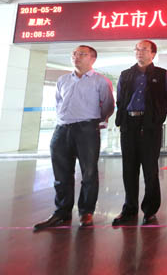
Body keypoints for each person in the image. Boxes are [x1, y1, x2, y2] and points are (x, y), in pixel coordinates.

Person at [33, 45, 114, 230]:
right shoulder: (63, 80)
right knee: (61, 174)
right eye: (74, 54)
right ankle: (61, 212)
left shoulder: (101, 81)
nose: (76, 57)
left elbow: (108, 105)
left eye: (82, 54)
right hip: (62, 130)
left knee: (89, 173)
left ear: (92, 59)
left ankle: (86, 212)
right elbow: (58, 102)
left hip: (87, 130)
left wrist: (94, 121)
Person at [112, 40, 167, 226]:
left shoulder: (162, 74)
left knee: (150, 169)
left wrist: (156, 118)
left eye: (144, 50)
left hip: (150, 126)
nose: (140, 52)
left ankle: (150, 210)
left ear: (153, 54)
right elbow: (120, 99)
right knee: (129, 169)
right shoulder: (126, 74)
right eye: (137, 49)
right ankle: (129, 209)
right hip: (129, 124)